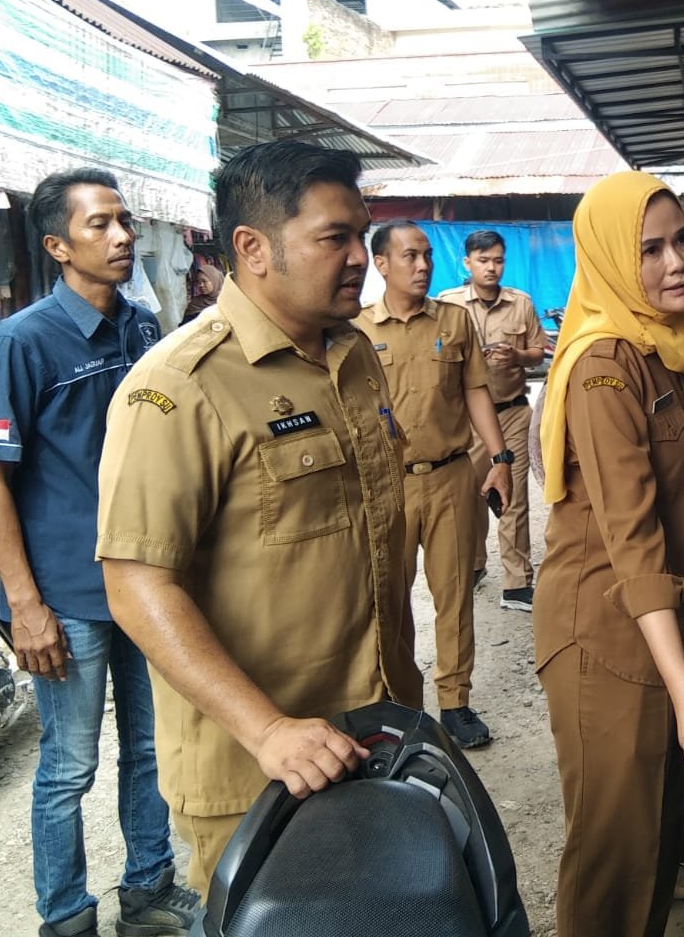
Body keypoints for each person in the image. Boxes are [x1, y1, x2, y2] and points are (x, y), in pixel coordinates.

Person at [96, 142, 424, 899]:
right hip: (260, 770)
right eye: (333, 238)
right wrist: (269, 730)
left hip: (372, 733)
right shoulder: (179, 387)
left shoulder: (353, 355)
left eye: (359, 234)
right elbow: (137, 583)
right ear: (253, 248)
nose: (359, 259)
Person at [0, 168, 198, 937]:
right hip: (66, 595)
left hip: (143, 582)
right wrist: (24, 606)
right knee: (69, 767)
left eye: (125, 220)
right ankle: (66, 917)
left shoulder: (140, 326)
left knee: (149, 748)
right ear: (58, 245)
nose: (124, 236)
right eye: (100, 224)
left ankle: (148, 891)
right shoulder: (21, 342)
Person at [535, 171, 684, 937]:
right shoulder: (604, 366)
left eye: (681, 238)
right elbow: (633, 535)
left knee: (659, 843)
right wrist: (682, 682)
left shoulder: (673, 351)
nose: (675, 261)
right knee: (614, 863)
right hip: (609, 641)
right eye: (648, 249)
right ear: (613, 260)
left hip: (668, 629)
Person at [357, 222, 513, 748]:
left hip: (450, 478)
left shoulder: (454, 320)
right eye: (409, 256)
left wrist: (500, 457)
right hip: (387, 487)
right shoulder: (356, 329)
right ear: (381, 263)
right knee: (390, 601)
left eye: (426, 256)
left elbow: (475, 392)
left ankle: (455, 702)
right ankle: (402, 705)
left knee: (454, 596)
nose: (422, 265)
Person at [438, 230, 548, 613]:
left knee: (512, 499)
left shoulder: (521, 303)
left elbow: (539, 351)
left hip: (513, 412)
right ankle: (473, 565)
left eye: (498, 260)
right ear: (467, 263)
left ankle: (517, 583)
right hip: (466, 421)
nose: (492, 268)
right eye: (484, 261)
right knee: (469, 498)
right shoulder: (447, 306)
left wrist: (518, 358)